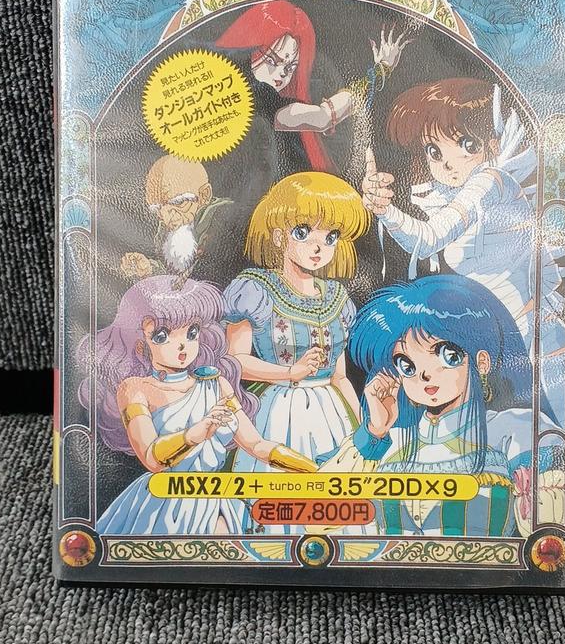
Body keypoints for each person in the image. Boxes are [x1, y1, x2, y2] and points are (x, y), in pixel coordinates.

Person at [361, 78, 565, 426]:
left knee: (551, 428)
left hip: (535, 339)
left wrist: (385, 210)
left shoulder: (490, 182)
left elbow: (428, 238)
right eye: (434, 151)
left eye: (466, 144)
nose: (447, 163)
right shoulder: (454, 194)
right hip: (502, 336)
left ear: (491, 143)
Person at [78, 276, 316, 538]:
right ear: (139, 341)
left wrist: (311, 470)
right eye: (162, 336)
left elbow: (257, 445)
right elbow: (152, 458)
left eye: (191, 332)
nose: (182, 344)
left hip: (214, 499)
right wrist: (198, 431)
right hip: (162, 501)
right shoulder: (135, 389)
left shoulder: (216, 385)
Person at [338, 274, 564, 538]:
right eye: (406, 365)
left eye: (447, 354)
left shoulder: (512, 429)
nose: (425, 374)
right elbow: (326, 513)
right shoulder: (390, 444)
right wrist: (374, 431)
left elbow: (548, 529)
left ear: (481, 362)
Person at [224, 172, 369, 501]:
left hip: (333, 414)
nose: (318, 246)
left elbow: (340, 377)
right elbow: (235, 362)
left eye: (330, 236)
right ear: (279, 236)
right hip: (278, 411)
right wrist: (290, 372)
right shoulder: (256, 290)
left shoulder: (337, 298)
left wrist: (364, 427)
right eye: (303, 232)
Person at [164, 0, 412, 172]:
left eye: (291, 66)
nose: (282, 73)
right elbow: (324, 117)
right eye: (273, 60)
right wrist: (381, 71)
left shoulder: (242, 92)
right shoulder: (259, 99)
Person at [120, 156, 231, 284]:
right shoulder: (166, 230)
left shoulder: (223, 219)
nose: (168, 218)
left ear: (204, 195)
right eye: (158, 209)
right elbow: (172, 275)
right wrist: (148, 269)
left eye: (178, 202)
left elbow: (208, 274)